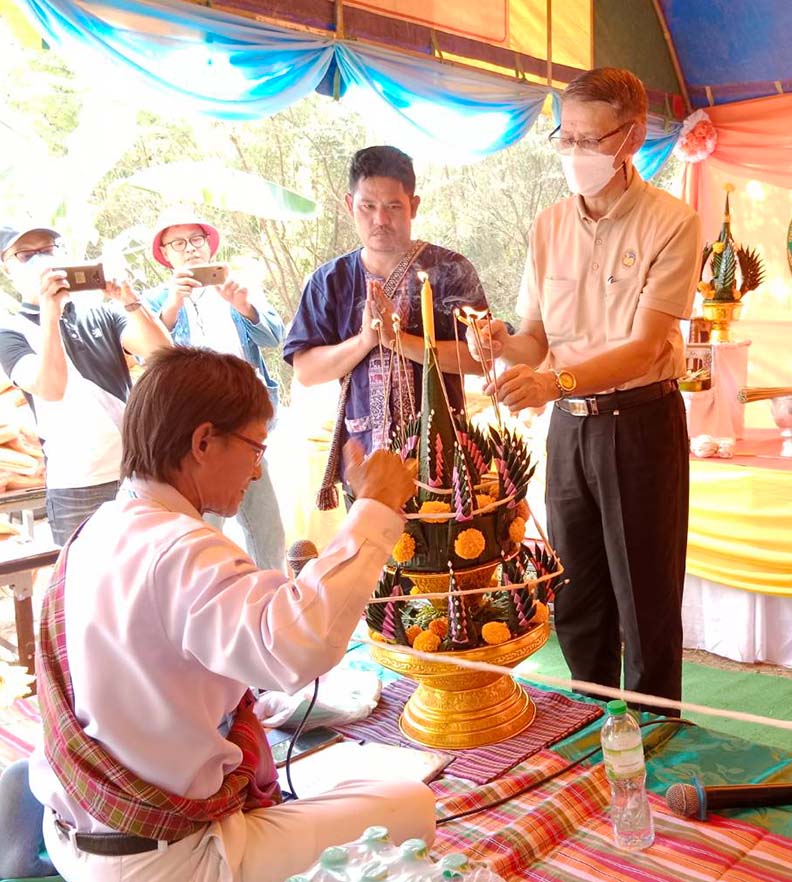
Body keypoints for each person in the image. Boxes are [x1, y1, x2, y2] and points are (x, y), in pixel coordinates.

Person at [28, 347, 434, 882]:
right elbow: (297, 646)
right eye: (254, 447)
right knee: (411, 805)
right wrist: (375, 507)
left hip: (78, 830)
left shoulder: (99, 527)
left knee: (340, 785)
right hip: (161, 859)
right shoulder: (178, 547)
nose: (257, 469)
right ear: (203, 442)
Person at [467, 68, 701, 711]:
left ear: (632, 137)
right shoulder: (548, 226)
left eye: (589, 140)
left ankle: (655, 730)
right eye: (565, 138)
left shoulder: (672, 223)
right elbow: (535, 337)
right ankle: (590, 716)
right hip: (568, 426)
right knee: (574, 589)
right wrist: (500, 341)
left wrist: (551, 381)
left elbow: (646, 346)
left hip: (641, 423)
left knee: (646, 594)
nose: (574, 153)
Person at [284, 145, 486, 503]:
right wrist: (365, 341)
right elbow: (306, 371)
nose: (380, 219)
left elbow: (479, 360)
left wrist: (400, 341)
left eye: (393, 206)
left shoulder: (450, 270)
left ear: (414, 206)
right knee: (370, 541)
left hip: (443, 461)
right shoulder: (330, 281)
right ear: (349, 205)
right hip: (365, 464)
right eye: (367, 206)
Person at [0, 223, 172, 545]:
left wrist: (131, 302)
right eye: (25, 255)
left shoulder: (103, 314)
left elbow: (163, 354)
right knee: (86, 576)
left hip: (139, 474)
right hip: (76, 487)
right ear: (7, 268)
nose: (40, 260)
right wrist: (50, 314)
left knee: (155, 571)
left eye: (47, 250)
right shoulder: (10, 333)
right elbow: (51, 387)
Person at [143, 209, 287, 570]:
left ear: (209, 245)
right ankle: (205, 592)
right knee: (204, 528)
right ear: (165, 254)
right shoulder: (157, 300)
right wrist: (173, 305)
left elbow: (275, 337)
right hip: (194, 431)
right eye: (179, 243)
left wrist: (244, 306)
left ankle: (273, 591)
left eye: (196, 239)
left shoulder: (233, 288)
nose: (190, 249)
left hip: (246, 421)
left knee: (267, 526)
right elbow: (150, 355)